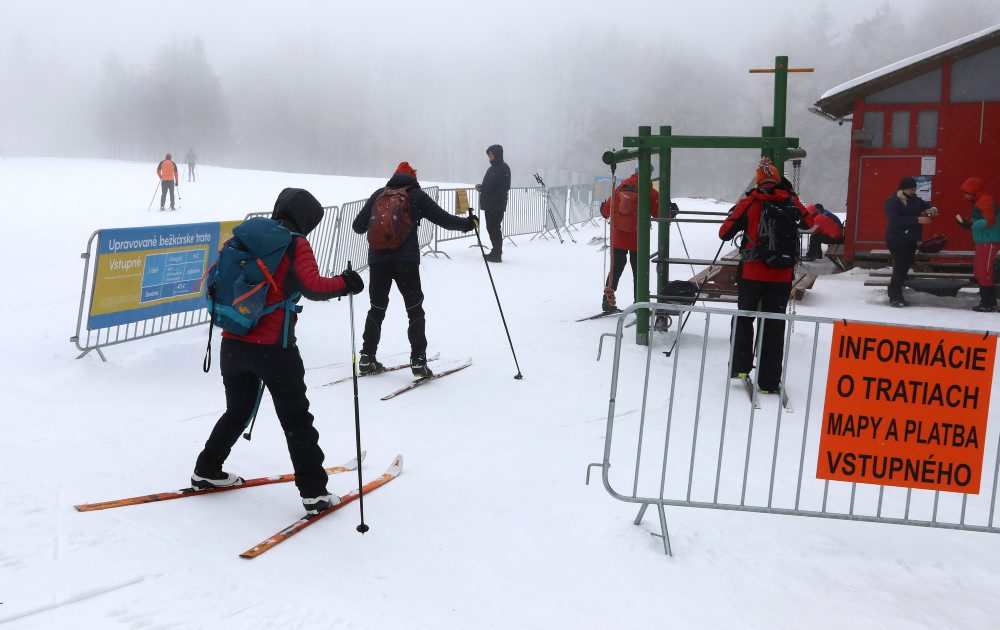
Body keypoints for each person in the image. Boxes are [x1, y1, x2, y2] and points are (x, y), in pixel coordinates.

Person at [193, 188, 365, 515]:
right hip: (274, 349)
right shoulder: (294, 243)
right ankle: (314, 493)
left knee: (237, 411)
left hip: (232, 341)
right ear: (307, 218)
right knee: (296, 419)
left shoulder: (244, 237)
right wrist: (346, 283)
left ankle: (207, 469)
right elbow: (313, 286)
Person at [352, 162, 478, 377]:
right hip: (405, 261)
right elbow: (442, 218)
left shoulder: (378, 194)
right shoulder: (417, 196)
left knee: (377, 307)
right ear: (413, 178)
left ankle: (366, 357)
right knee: (414, 309)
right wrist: (468, 224)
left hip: (378, 261)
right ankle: (418, 361)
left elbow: (358, 226)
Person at [719, 157, 807, 394]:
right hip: (781, 274)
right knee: (774, 326)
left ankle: (740, 367)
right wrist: (790, 195)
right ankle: (769, 382)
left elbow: (724, 233)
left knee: (745, 318)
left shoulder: (751, 201)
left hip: (752, 272)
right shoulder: (789, 199)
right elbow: (808, 220)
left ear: (758, 180)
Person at [598, 172, 659, 312]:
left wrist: (603, 208)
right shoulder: (650, 192)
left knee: (616, 269)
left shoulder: (620, 189)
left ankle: (607, 302)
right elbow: (658, 213)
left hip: (618, 236)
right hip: (638, 238)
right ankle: (639, 304)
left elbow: (606, 211)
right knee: (639, 271)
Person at [884, 177, 935, 307]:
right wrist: (917, 220)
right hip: (896, 239)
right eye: (911, 189)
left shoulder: (915, 199)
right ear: (903, 189)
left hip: (910, 239)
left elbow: (926, 205)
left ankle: (897, 293)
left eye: (914, 189)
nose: (913, 191)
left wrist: (932, 209)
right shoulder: (893, 201)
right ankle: (894, 296)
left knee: (905, 266)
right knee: (901, 267)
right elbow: (894, 221)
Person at [956, 177, 1000, 312]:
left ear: (974, 192)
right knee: (981, 271)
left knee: (984, 272)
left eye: (966, 193)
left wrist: (970, 225)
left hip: (988, 241)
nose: (964, 196)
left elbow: (989, 221)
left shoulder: (985, 200)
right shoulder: (982, 200)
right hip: (984, 241)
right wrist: (969, 224)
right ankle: (988, 301)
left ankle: (988, 303)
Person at [475, 144, 511, 263]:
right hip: (489, 205)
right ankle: (495, 251)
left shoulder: (504, 168)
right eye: (488, 155)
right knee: (491, 228)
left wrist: (493, 202)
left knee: (495, 228)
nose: (489, 157)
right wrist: (482, 187)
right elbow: (489, 186)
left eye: (491, 154)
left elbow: (504, 187)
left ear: (497, 154)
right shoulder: (491, 169)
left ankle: (497, 254)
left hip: (496, 205)